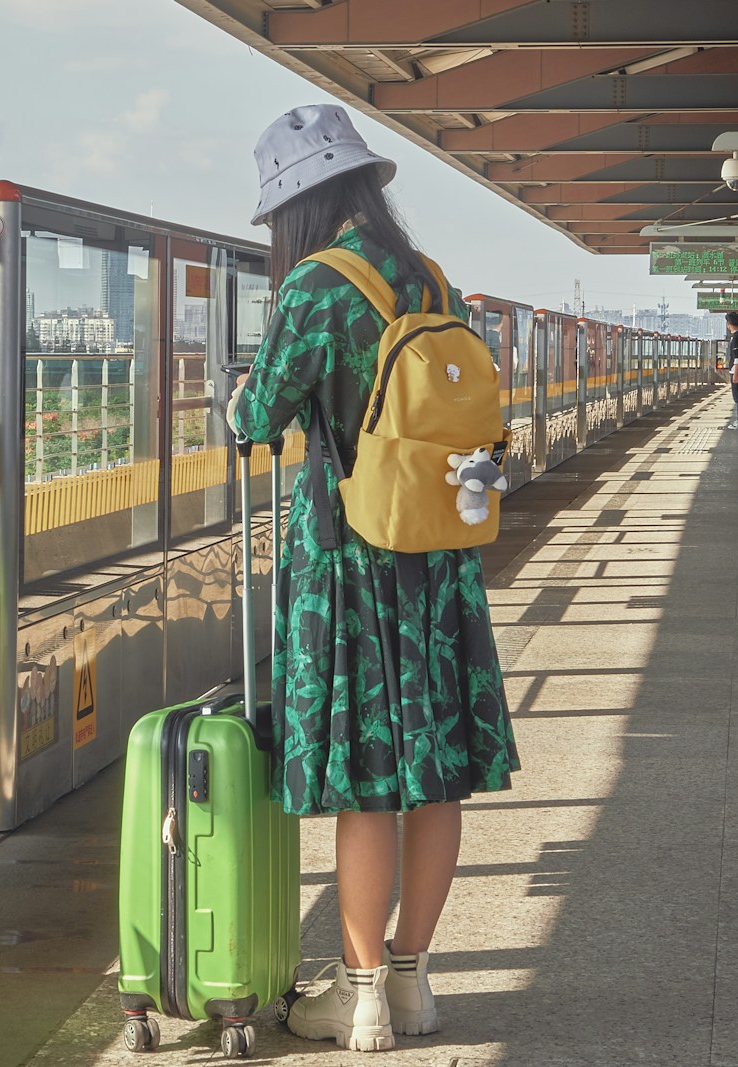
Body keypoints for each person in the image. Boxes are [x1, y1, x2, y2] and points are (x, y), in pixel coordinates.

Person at [227, 104, 520, 1053]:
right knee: (434, 775)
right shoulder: (429, 278)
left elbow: (262, 415)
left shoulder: (315, 285)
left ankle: (358, 1002)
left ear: (296, 208)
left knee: (367, 781)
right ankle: (412, 981)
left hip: (352, 559)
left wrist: (237, 400)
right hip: (437, 556)